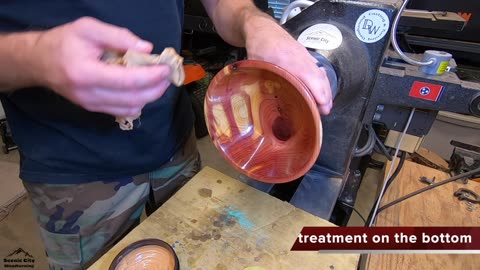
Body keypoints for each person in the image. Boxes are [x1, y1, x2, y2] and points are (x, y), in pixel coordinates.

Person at [0, 0, 332, 269]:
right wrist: (38, 56)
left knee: (196, 254)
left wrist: (253, 21)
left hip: (174, 142)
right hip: (73, 174)